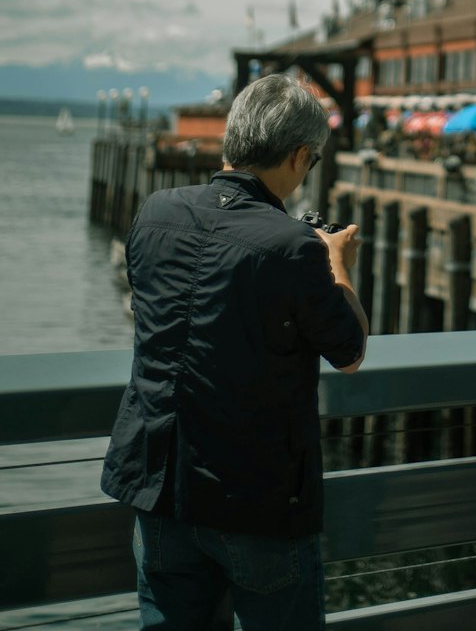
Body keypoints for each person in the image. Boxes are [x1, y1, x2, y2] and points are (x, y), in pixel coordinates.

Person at [101, 74, 369, 631]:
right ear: (299, 156)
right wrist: (336, 259)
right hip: (257, 500)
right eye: (312, 161)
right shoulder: (292, 244)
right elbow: (349, 350)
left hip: (161, 486)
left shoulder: (155, 212)